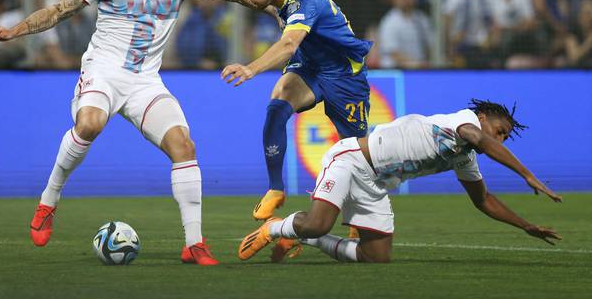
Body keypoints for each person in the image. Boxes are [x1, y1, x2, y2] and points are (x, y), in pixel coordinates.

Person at [0, 0, 276, 266]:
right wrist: (15, 31)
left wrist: (276, 5)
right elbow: (60, 10)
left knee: (184, 146)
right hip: (102, 71)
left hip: (145, 82)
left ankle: (194, 244)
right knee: (89, 124)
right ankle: (49, 201)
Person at [237, 99, 563, 263]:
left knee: (375, 257)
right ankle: (275, 227)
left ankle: (304, 239)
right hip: (351, 160)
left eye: (505, 137)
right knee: (319, 222)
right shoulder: (464, 121)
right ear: (482, 118)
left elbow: (484, 200)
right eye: (500, 131)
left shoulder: (465, 156)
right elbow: (480, 139)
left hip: (375, 184)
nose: (500, 139)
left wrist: (526, 226)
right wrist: (527, 175)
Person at [221, 0, 372, 221]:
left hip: (344, 72)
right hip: (310, 65)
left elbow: (289, 44)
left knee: (355, 150)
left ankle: (360, 213)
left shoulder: (303, 0)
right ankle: (276, 189)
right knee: (277, 105)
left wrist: (250, 68)